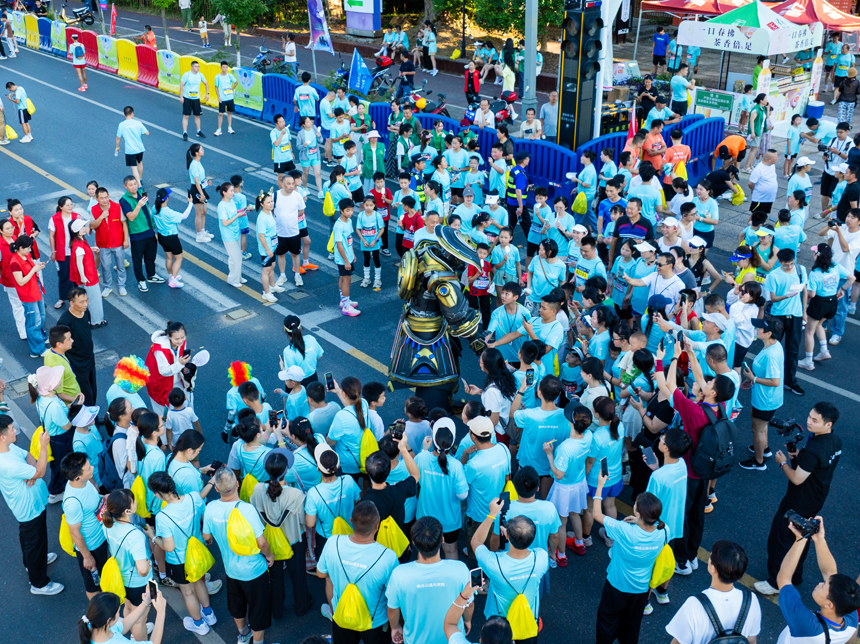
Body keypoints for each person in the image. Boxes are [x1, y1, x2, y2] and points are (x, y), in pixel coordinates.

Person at [653, 340, 736, 576]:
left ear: (712, 392)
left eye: (710, 383)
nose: (705, 382)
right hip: (705, 471)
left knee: (682, 515)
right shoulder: (721, 407)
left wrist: (667, 359)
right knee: (697, 515)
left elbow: (667, 384)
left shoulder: (693, 410)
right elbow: (700, 377)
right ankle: (691, 555)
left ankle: (680, 560)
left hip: (687, 471)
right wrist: (690, 353)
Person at [752, 402, 844, 596]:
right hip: (817, 498)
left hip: (798, 500)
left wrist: (783, 462)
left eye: (815, 420)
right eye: (810, 417)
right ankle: (796, 575)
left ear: (828, 424)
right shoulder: (834, 441)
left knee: (781, 539)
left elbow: (796, 478)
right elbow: (818, 467)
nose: (808, 422)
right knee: (802, 537)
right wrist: (798, 457)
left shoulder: (813, 450)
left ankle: (776, 582)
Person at [593, 472, 667, 644]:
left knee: (607, 622)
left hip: (616, 586)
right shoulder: (663, 532)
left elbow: (597, 514)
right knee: (632, 627)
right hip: (641, 590)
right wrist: (640, 522)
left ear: (639, 514)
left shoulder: (624, 530)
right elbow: (656, 525)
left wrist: (599, 486)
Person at [202, 468, 274, 644]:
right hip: (254, 570)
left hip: (231, 569)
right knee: (258, 610)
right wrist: (270, 556)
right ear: (237, 484)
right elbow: (262, 542)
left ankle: (243, 634)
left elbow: (206, 537)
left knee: (237, 606)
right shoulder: (247, 510)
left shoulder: (210, 508)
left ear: (217, 489)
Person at [317, 501, 399, 642]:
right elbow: (393, 597)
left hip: (342, 615)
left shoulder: (332, 542)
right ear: (377, 526)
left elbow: (321, 573)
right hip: (375, 623)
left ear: (351, 521)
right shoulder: (388, 557)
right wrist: (396, 626)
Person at [0, 414, 63, 595]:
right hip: (28, 508)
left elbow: (28, 455)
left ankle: (33, 563)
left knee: (31, 539)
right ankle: (39, 584)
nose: (15, 430)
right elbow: (40, 471)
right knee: (34, 542)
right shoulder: (8, 464)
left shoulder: (8, 448)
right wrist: (43, 447)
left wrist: (32, 472)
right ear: (2, 436)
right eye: (12, 429)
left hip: (31, 504)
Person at [773, 516, 860, 644]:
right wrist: (819, 540)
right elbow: (830, 573)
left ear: (829, 605)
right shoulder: (850, 617)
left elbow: (784, 579)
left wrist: (800, 539)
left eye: (823, 586)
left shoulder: (807, 625)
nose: (819, 583)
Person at [471, 501, 549, 639]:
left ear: (506, 536)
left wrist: (492, 514)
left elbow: (476, 541)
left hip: (499, 625)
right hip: (528, 620)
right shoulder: (541, 558)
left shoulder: (493, 563)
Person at [250, 451, 313, 619]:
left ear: (267, 470)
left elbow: (254, 512)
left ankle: (276, 610)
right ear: (287, 471)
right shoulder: (295, 494)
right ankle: (302, 606)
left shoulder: (257, 490)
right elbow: (302, 520)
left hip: (269, 540)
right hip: (293, 539)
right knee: (298, 574)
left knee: (275, 576)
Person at [387, 516, 470, 644]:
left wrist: (395, 627)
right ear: (442, 540)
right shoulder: (460, 568)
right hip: (452, 638)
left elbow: (393, 608)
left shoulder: (399, 573)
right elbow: (469, 603)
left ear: (413, 543)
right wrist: (467, 620)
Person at [665, 540, 762, 644]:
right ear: (740, 575)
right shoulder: (751, 600)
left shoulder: (694, 605)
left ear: (713, 568)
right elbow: (752, 640)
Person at [101, 489, 155, 642]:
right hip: (138, 582)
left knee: (130, 607)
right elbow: (143, 570)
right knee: (140, 619)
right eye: (134, 501)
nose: (136, 502)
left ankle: (134, 631)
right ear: (127, 511)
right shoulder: (134, 535)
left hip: (122, 578)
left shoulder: (107, 524)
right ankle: (140, 637)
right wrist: (148, 565)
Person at [120, 176, 163, 292]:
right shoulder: (124, 200)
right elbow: (131, 217)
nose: (134, 186)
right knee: (137, 260)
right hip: (137, 234)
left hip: (149, 231)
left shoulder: (140, 192)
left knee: (151, 256)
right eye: (130, 185)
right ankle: (141, 281)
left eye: (135, 184)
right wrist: (138, 205)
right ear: (125, 186)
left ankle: (151, 275)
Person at [79, 590, 168, 644]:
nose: (119, 613)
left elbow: (123, 625)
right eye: (118, 612)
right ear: (109, 620)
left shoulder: (93, 627)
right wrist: (161, 611)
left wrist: (145, 603)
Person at [57, 288, 97, 405]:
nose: (86, 304)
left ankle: (92, 413)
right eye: (81, 302)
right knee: (85, 392)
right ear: (72, 303)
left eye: (87, 300)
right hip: (77, 362)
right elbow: (60, 346)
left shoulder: (86, 313)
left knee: (93, 387)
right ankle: (88, 419)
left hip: (89, 358)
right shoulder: (65, 321)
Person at [144, 321, 191, 418]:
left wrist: (183, 367)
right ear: (169, 337)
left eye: (182, 337)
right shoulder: (159, 349)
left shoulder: (181, 342)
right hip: (160, 383)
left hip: (175, 379)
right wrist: (180, 364)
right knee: (164, 412)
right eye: (177, 339)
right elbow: (164, 371)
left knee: (181, 404)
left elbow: (180, 358)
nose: (180, 341)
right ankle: (165, 431)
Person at [8, 237, 45, 357]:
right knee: (33, 322)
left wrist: (36, 267)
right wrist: (34, 269)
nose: (30, 250)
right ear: (20, 248)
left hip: (35, 289)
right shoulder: (14, 262)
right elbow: (21, 281)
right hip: (28, 294)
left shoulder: (26, 256)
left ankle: (41, 339)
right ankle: (37, 350)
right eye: (28, 248)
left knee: (41, 316)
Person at [89, 187, 128, 298]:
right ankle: (107, 286)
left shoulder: (117, 207)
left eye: (106, 197)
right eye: (102, 198)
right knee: (106, 266)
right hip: (103, 244)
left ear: (109, 196)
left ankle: (121, 285)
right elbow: (92, 225)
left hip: (117, 242)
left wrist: (126, 239)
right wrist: (101, 217)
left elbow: (124, 224)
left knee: (120, 265)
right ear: (97, 199)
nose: (105, 200)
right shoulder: (94, 209)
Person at [67, 219, 105, 327]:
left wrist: (90, 249)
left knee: (91, 299)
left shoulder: (79, 241)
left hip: (87, 275)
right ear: (75, 231)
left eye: (84, 226)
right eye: (81, 227)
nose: (84, 228)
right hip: (89, 276)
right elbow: (79, 264)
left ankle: (94, 320)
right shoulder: (79, 245)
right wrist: (83, 277)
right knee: (94, 299)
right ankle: (96, 321)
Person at [273, 173, 307, 289]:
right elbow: (270, 210)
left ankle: (297, 275)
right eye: (288, 184)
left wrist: (290, 216)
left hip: (294, 232)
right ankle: (283, 275)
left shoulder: (297, 196)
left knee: (295, 254)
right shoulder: (275, 196)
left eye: (293, 183)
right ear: (282, 184)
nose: (291, 186)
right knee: (280, 254)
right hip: (279, 232)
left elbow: (301, 211)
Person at [115, 106, 149, 183]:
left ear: (124, 114)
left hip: (130, 150)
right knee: (140, 163)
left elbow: (118, 138)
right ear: (132, 113)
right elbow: (147, 133)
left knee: (134, 168)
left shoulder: (122, 125)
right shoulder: (138, 123)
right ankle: (140, 179)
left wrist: (117, 147)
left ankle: (139, 185)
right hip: (140, 148)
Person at [179, 61, 209, 140]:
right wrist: (181, 97)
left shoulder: (200, 75)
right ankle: (185, 133)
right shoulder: (187, 74)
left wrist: (207, 93)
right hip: (187, 98)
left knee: (197, 115)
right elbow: (181, 85)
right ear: (192, 67)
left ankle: (199, 131)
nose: (198, 68)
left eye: (198, 66)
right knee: (186, 116)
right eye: (196, 66)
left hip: (196, 98)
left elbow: (206, 83)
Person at [748, 149, 778, 216]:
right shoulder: (758, 169)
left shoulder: (772, 165)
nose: (777, 158)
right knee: (755, 217)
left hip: (769, 198)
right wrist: (754, 189)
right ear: (770, 159)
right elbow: (750, 183)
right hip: (760, 199)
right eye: (775, 157)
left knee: (764, 216)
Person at [213, 61, 237, 136]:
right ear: (221, 68)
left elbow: (236, 82)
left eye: (226, 67)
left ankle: (230, 127)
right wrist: (218, 97)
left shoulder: (230, 76)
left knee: (229, 112)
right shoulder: (217, 77)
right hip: (222, 98)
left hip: (229, 97)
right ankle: (219, 129)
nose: (225, 69)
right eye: (223, 67)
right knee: (220, 113)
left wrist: (232, 90)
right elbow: (216, 87)